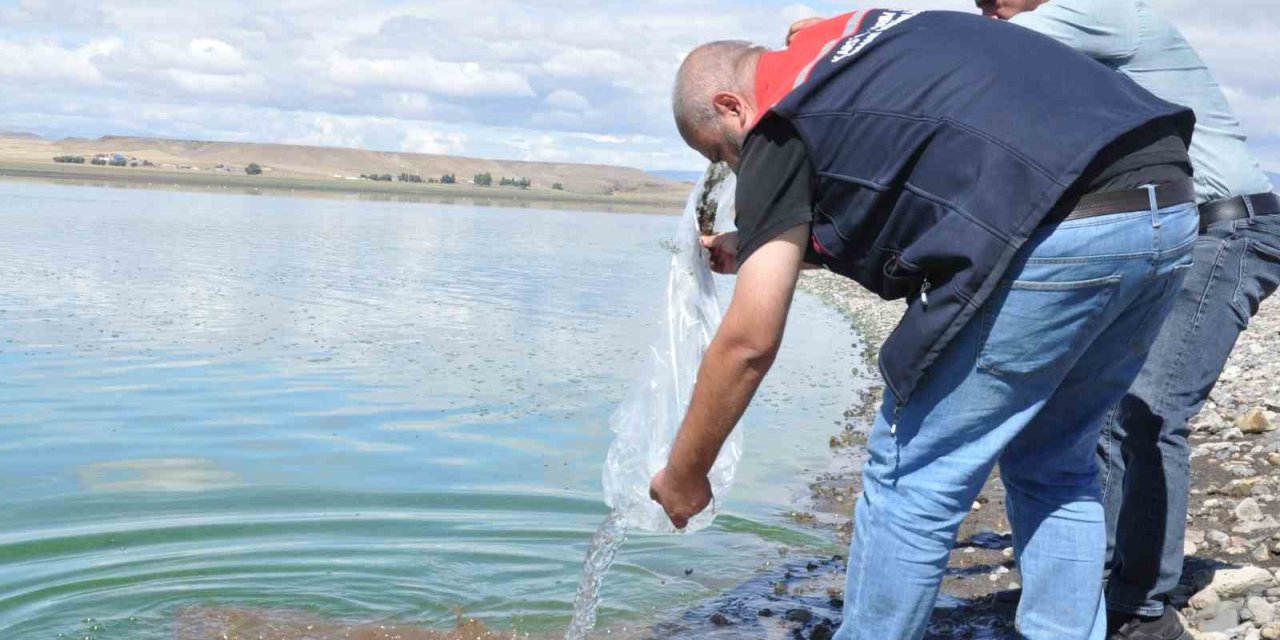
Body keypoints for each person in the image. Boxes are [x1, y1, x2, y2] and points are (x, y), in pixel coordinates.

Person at [648, 9, 1201, 640]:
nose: (740, 170)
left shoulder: (778, 121)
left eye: (724, 154)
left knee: (911, 472)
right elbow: (912, 168)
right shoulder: (857, 43)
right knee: (1054, 460)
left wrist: (687, 473)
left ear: (731, 106)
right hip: (1165, 204)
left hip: (1059, 225)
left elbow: (748, 342)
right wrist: (763, 241)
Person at [966, 3, 1280, 638]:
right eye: (978, 2)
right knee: (1107, 409)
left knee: (1150, 411)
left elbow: (969, 48)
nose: (989, 9)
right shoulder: (1063, 63)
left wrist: (855, 34)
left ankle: (1141, 606)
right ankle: (1088, 586)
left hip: (1227, 228)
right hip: (1168, 232)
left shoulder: (1099, 13)